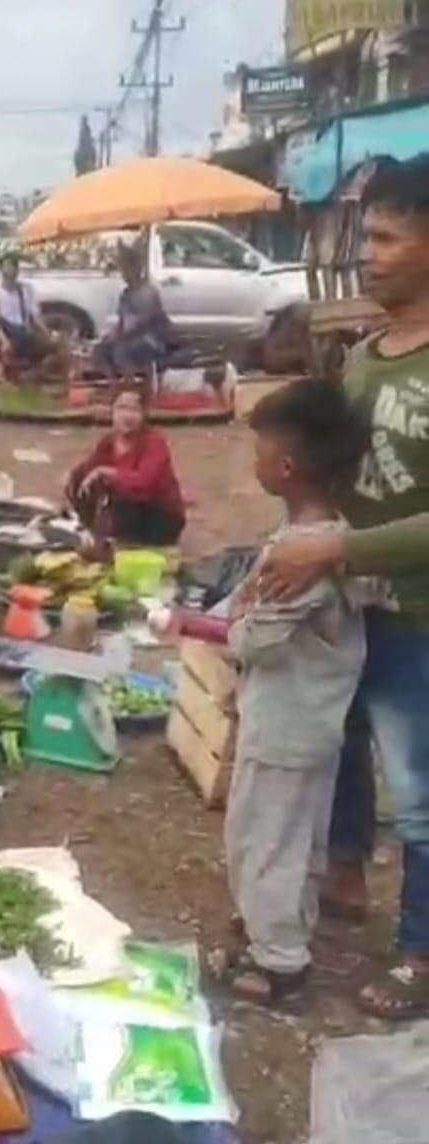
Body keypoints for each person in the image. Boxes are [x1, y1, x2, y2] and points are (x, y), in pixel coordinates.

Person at [256, 154, 429, 1019]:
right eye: (367, 236)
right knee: (343, 757)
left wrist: (339, 547)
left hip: (419, 619)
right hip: (351, 609)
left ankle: (419, 951)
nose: (368, 254)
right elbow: (331, 479)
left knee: (421, 791)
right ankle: (346, 883)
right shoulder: (363, 359)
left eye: (389, 237)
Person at [216, 379, 369, 1007]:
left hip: (287, 723)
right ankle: (278, 927)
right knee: (296, 835)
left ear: (285, 466)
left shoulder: (304, 554)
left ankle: (277, 958)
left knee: (264, 835)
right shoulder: (326, 536)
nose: (251, 463)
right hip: (305, 719)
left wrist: (233, 624)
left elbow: (255, 640)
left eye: (257, 452)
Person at [65, 389, 185, 547]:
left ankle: (128, 544)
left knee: (126, 498)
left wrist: (106, 472)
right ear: (112, 412)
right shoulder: (108, 443)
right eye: (121, 408)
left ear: (143, 414)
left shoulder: (154, 442)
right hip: (128, 513)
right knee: (80, 479)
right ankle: (90, 531)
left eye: (134, 409)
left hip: (162, 515)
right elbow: (89, 470)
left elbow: (144, 482)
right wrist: (74, 478)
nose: (127, 416)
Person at [95, 241, 177, 376]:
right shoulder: (126, 294)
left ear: (136, 269)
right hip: (132, 337)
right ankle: (113, 384)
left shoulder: (147, 292)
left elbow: (140, 325)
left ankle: (133, 385)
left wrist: (118, 337)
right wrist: (109, 335)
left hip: (153, 339)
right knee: (100, 350)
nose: (123, 274)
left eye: (125, 269)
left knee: (122, 350)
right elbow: (123, 322)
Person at [0, 252, 64, 378]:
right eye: (7, 266)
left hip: (24, 332)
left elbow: (36, 315)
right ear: (1, 269)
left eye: (14, 267)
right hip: (6, 334)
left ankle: (33, 370)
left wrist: (48, 333)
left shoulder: (26, 289)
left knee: (51, 346)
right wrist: (4, 340)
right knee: (11, 352)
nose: (11, 270)